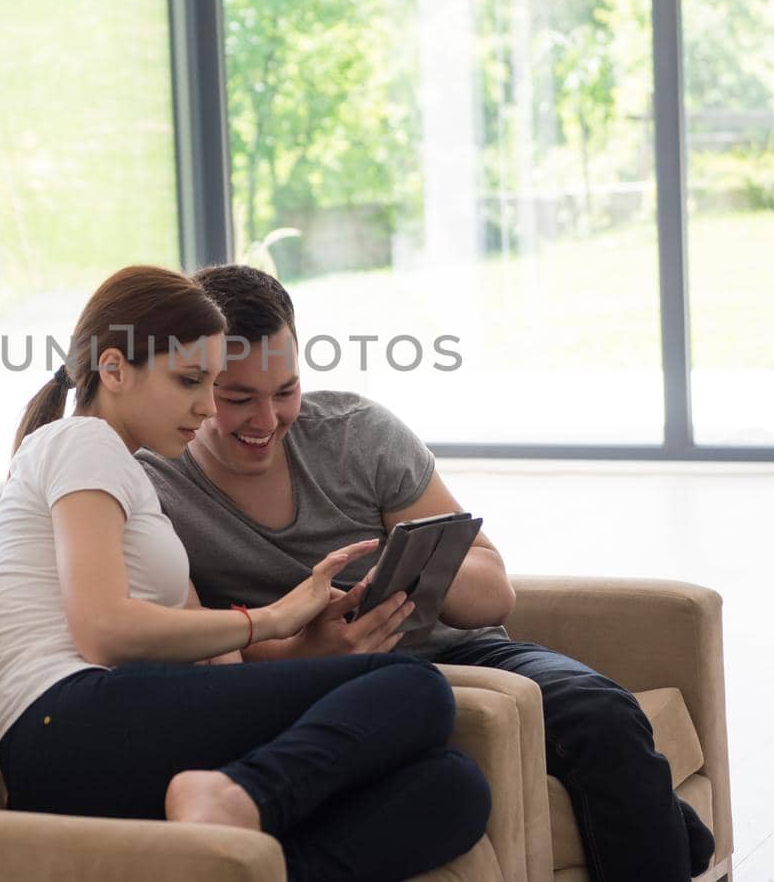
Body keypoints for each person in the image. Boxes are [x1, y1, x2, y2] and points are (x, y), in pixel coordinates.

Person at [138, 264, 717, 882]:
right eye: (237, 399)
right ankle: (674, 837)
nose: (266, 420)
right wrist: (310, 649)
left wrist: (416, 570)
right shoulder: (157, 484)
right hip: (315, 693)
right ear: (195, 385)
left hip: (464, 653)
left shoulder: (358, 434)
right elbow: (193, 649)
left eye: (285, 390)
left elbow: (495, 594)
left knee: (602, 712)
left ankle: (670, 839)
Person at [0, 264, 491, 882]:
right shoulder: (82, 442)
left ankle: (240, 848)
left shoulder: (128, 476)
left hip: (118, 721)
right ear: (113, 370)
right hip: (63, 722)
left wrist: (309, 641)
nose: (204, 408)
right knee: (414, 687)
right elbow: (103, 631)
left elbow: (203, 653)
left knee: (451, 789)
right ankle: (233, 798)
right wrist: (269, 618)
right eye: (192, 381)